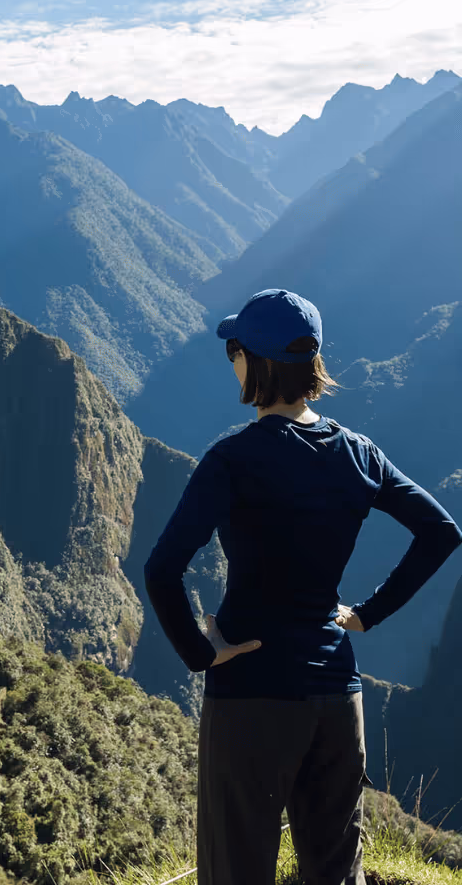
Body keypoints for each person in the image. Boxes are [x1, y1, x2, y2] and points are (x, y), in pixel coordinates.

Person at [144, 288, 462, 885]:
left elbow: (162, 569)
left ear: (254, 363)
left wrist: (200, 653)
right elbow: (441, 531)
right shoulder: (360, 454)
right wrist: (367, 615)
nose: (231, 360)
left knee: (236, 869)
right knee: (337, 872)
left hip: (251, 693)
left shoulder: (233, 460)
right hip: (338, 696)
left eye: (234, 349)